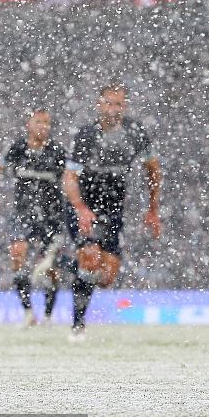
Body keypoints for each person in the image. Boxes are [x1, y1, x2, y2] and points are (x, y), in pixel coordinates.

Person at [63, 85, 161, 341]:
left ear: (124, 107)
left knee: (106, 277)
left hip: (113, 206)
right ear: (100, 105)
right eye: (109, 103)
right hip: (85, 203)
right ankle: (77, 325)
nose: (113, 110)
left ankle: (68, 264)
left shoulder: (135, 133)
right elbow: (70, 177)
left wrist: (152, 209)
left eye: (118, 105)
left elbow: (153, 169)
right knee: (90, 256)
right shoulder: (86, 136)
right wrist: (81, 209)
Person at [0, 109, 66, 326]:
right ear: (29, 124)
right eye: (39, 122)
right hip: (23, 213)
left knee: (51, 269)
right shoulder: (17, 148)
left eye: (47, 123)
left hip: (51, 217)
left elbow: (70, 181)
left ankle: (47, 315)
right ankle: (28, 312)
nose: (43, 127)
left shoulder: (57, 152)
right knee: (17, 255)